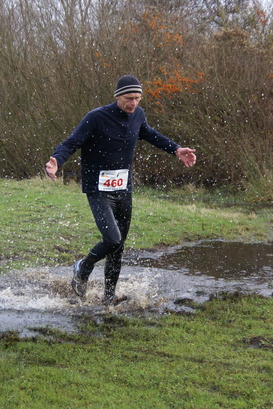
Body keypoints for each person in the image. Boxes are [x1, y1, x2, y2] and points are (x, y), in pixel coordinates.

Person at [45, 75, 196, 305]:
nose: (133, 103)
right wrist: (57, 159)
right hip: (98, 188)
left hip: (123, 187)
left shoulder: (138, 115)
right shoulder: (96, 117)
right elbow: (72, 142)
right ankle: (82, 267)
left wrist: (175, 149)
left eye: (137, 98)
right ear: (117, 97)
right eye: (129, 98)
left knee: (119, 246)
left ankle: (109, 296)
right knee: (112, 239)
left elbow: (150, 134)